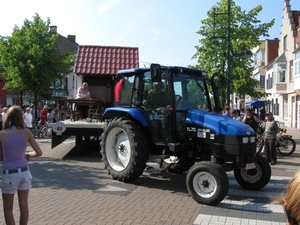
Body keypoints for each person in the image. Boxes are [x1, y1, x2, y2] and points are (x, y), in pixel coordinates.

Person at [0, 105, 43, 225]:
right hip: (24, 172)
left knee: (8, 209)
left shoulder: (2, 134)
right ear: (21, 117)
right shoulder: (27, 132)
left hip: (10, 174)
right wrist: (27, 154)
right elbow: (39, 152)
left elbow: (1, 157)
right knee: (24, 206)